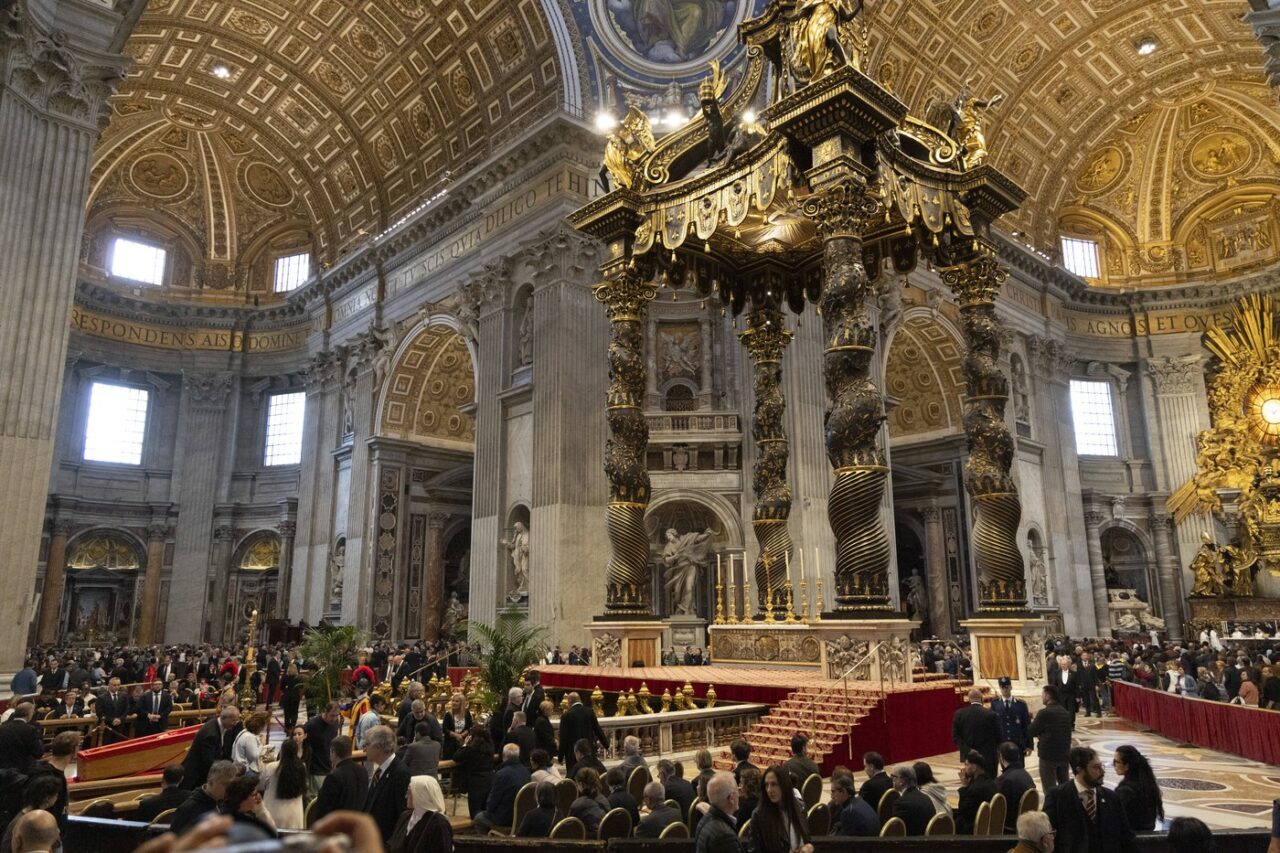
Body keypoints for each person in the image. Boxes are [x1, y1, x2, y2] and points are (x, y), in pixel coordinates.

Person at [1043, 746, 1137, 853]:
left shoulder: (1112, 797)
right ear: (1080, 770)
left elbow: (1126, 837)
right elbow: (1047, 835)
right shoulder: (1057, 796)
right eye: (1096, 767)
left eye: (1101, 766)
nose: (1102, 772)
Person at [363, 725, 412, 843]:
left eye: (367, 744)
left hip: (386, 841)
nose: (364, 749)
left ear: (379, 747)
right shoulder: (380, 770)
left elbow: (402, 814)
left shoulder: (400, 773)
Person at [748, 766, 813, 853]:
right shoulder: (759, 815)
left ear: (784, 785)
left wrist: (809, 847)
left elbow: (807, 840)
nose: (769, 790)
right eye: (766, 785)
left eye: (774, 784)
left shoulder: (800, 807)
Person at [309, 736, 368, 825]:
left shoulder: (334, 777)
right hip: (357, 825)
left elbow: (323, 808)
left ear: (333, 752)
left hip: (338, 827)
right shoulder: (363, 771)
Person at [25, 732, 78, 831]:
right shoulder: (49, 778)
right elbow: (38, 810)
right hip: (45, 831)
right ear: (73, 750)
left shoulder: (48, 770)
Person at [474, 743, 531, 833]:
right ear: (518, 756)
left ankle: (487, 841)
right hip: (522, 817)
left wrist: (487, 809)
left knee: (479, 818)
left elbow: (492, 803)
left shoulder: (501, 775)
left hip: (505, 818)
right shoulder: (526, 771)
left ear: (504, 756)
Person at [387, 774, 452, 853]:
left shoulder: (439, 824)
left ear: (420, 795)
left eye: (409, 792)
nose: (406, 796)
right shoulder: (405, 816)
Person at [170, 759, 238, 834]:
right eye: (225, 784)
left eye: (231, 785)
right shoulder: (188, 808)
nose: (229, 789)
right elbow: (176, 838)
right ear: (211, 781)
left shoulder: (226, 802)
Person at [181, 705, 241, 790]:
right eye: (233, 720)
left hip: (204, 772)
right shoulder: (210, 734)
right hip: (195, 776)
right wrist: (228, 768)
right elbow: (209, 761)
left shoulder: (222, 726)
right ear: (224, 718)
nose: (235, 723)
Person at [1029, 685, 1073, 792]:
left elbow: (1031, 731)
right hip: (1064, 754)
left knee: (1049, 789)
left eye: (1043, 694)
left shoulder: (1044, 713)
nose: (1041, 696)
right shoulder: (1065, 712)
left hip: (1048, 756)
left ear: (1048, 696)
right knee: (1064, 786)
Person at [0, 775, 60, 852]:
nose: (57, 798)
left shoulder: (30, 816)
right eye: (56, 795)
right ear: (47, 798)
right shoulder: (26, 821)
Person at [258, 737, 306, 830]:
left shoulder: (271, 767)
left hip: (273, 812)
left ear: (282, 751)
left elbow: (261, 785)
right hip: (295, 814)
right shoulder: (302, 766)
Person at [1111, 745, 1162, 832]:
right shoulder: (1146, 782)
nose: (1113, 765)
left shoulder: (1126, 791)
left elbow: (1116, 818)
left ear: (1127, 766)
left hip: (1132, 835)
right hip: (1148, 832)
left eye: (1116, 762)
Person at [953, 687, 1001, 773]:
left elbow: (956, 737)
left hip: (969, 759)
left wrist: (968, 750)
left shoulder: (959, 714)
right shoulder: (991, 714)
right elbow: (999, 736)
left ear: (969, 699)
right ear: (981, 698)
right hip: (988, 758)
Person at [453, 726, 495, 819]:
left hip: (476, 782)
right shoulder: (490, 747)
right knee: (486, 808)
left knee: (475, 811)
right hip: (489, 779)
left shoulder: (471, 749)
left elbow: (456, 757)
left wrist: (465, 744)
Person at [697, 771, 744, 853]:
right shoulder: (725, 836)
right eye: (738, 790)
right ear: (731, 798)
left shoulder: (705, 819)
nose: (739, 794)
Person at [557, 692, 607, 767]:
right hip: (589, 752)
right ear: (580, 700)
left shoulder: (566, 716)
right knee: (590, 772)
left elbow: (563, 738)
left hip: (573, 756)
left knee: (575, 773)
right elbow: (598, 730)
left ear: (569, 701)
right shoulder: (590, 712)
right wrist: (606, 745)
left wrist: (560, 757)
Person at [304, 702, 341, 801]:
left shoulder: (335, 723)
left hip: (329, 768)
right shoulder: (312, 725)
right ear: (325, 712)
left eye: (336, 715)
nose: (334, 718)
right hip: (315, 771)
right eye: (332, 715)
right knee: (314, 801)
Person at [956, 750, 998, 834]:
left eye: (966, 765)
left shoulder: (975, 789)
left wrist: (964, 787)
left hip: (974, 829)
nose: (964, 768)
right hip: (989, 826)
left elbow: (963, 810)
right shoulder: (991, 782)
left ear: (974, 768)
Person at [998, 742, 1035, 831]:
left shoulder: (1005, 780)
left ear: (1001, 758)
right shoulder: (1027, 775)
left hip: (1009, 827)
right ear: (1018, 756)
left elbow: (998, 808)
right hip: (1027, 823)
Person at [890, 764, 935, 836]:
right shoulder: (926, 798)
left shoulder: (901, 803)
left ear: (902, 781)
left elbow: (896, 832)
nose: (892, 780)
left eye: (894, 777)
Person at [992, 676, 1032, 751]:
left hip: (1018, 743)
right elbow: (993, 725)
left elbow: (1026, 725)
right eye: (1002, 687)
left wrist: (1029, 745)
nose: (1005, 689)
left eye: (1007, 687)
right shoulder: (995, 704)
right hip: (1002, 743)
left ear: (1011, 687)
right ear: (1000, 688)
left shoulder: (1021, 704)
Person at [569, 767, 610, 836]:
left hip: (589, 840)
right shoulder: (604, 799)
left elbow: (569, 826)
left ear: (581, 784)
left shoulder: (578, 804)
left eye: (577, 783)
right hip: (606, 836)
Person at [95, 678, 132, 744]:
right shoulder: (101, 697)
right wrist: (112, 720)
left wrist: (120, 719)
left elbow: (126, 709)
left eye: (118, 685)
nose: (117, 687)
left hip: (120, 727)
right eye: (114, 685)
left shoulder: (124, 696)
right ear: (109, 685)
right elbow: (99, 713)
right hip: (107, 727)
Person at [441, 694, 473, 761]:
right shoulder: (448, 714)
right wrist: (456, 735)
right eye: (453, 701)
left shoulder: (466, 713)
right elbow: (445, 729)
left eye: (456, 701)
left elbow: (470, 726)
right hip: (450, 745)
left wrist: (462, 735)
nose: (454, 703)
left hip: (463, 742)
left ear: (461, 703)